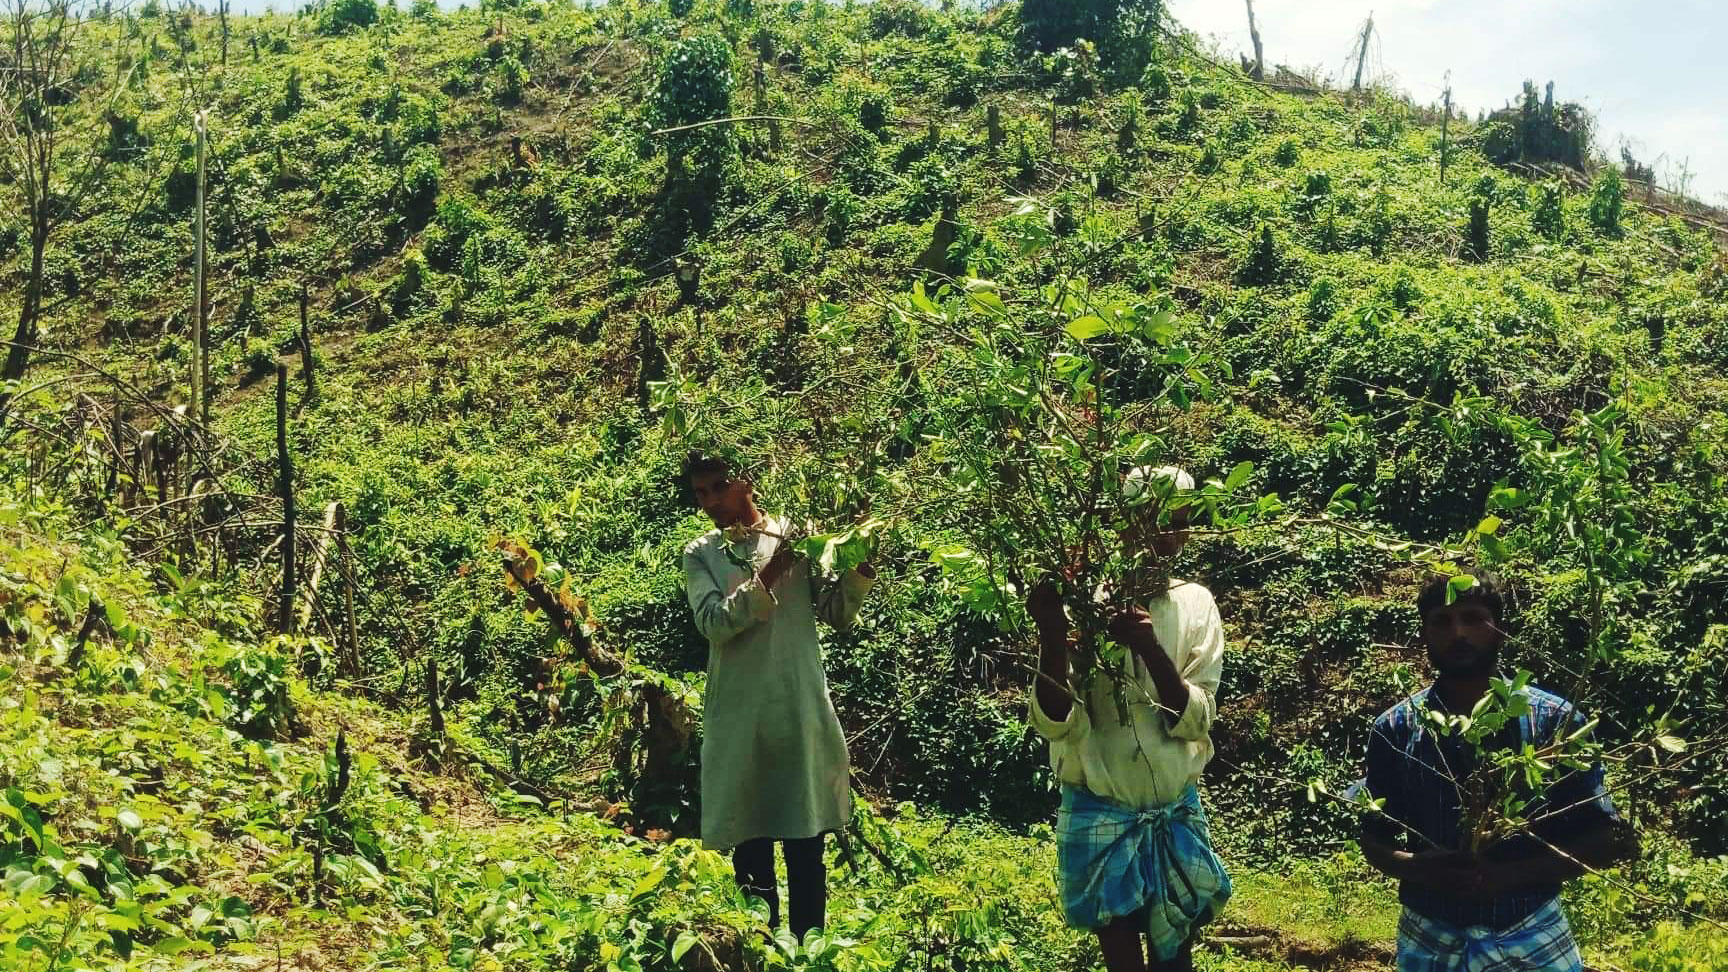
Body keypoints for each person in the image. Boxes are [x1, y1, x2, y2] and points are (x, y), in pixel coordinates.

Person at [1360, 573, 1638, 972]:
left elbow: (1606, 838)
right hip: (1429, 937)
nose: (1458, 633)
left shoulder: (1556, 724)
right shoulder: (1395, 729)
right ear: (1424, 633)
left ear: (1500, 627)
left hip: (1530, 933)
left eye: (1473, 618)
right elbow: (1373, 836)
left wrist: (1509, 876)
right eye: (1442, 621)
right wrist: (1415, 867)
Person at [1027, 466, 1231, 972]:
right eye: (1152, 521)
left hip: (1172, 805)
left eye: (1178, 521)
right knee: (1120, 954)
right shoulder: (1083, 602)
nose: (1167, 536)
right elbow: (1055, 722)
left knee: (1175, 949)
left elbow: (1198, 716)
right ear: (1123, 524)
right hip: (1102, 807)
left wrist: (1150, 647)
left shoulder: (1195, 604)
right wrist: (1053, 635)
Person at [679, 451, 876, 942]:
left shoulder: (798, 534)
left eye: (718, 488)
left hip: (797, 708)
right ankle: (762, 949)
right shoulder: (701, 553)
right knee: (751, 843)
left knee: (805, 841)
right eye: (701, 492)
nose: (709, 502)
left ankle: (809, 950)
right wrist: (773, 567)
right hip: (740, 718)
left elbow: (837, 612)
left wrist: (859, 560)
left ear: (745, 481)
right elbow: (714, 623)